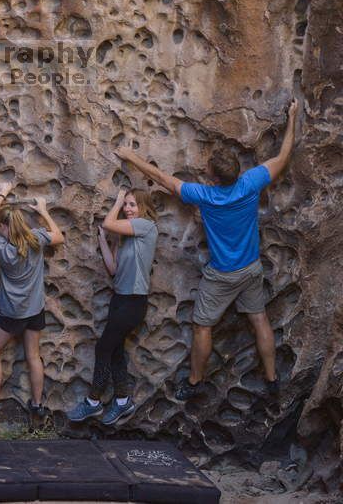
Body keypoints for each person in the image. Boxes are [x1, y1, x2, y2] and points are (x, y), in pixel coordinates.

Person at [115, 99, 298, 400]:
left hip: (222, 275)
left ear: (213, 178)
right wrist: (292, 117)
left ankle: (195, 382)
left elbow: (163, 180)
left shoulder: (206, 196)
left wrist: (130, 155)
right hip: (251, 268)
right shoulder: (251, 183)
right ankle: (272, 378)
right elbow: (285, 153)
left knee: (202, 326)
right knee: (260, 320)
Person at [0, 183, 64, 418]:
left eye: (1, 226)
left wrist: (2, 193)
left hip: (11, 313)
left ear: (4, 226)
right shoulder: (36, 239)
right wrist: (43, 211)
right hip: (35, 311)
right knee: (33, 356)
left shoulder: (2, 247)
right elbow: (59, 236)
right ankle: (38, 404)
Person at [67, 188, 157, 424]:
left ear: (144, 208)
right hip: (119, 298)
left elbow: (109, 222)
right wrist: (103, 241)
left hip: (133, 302)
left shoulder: (146, 226)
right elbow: (113, 269)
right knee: (115, 351)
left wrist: (116, 200)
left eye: (132, 205)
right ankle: (122, 400)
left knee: (103, 348)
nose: (128, 208)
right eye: (126, 204)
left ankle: (93, 402)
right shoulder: (127, 234)